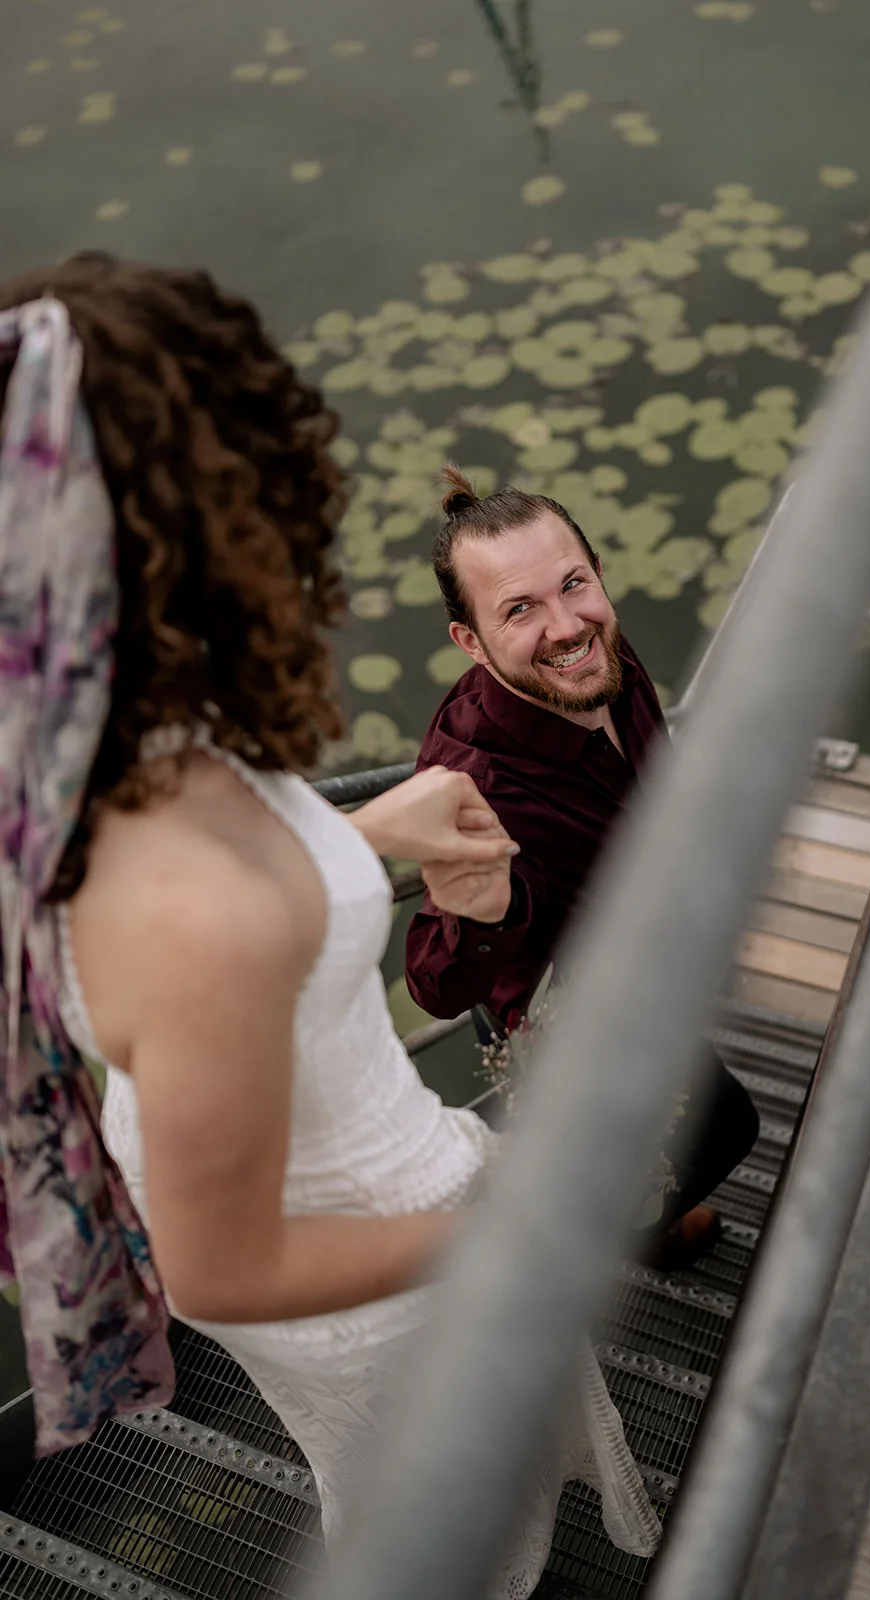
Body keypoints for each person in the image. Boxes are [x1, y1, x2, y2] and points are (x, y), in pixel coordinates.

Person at [0, 256, 661, 1591]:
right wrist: (514, 1220)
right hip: (360, 1247)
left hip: (299, 1123)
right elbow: (219, 1269)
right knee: (443, 1516)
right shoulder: (192, 895)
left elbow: (195, 919)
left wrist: (367, 836)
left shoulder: (100, 730)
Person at [405, 468, 761, 1267]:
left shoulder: (600, 651)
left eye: (573, 584)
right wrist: (484, 909)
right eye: (519, 609)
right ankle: (629, 1240)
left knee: (688, 1132)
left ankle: (650, 1226)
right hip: (564, 1010)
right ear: (470, 641)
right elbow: (435, 982)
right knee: (723, 1127)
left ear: (598, 572)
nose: (565, 625)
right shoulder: (470, 785)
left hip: (645, 953)